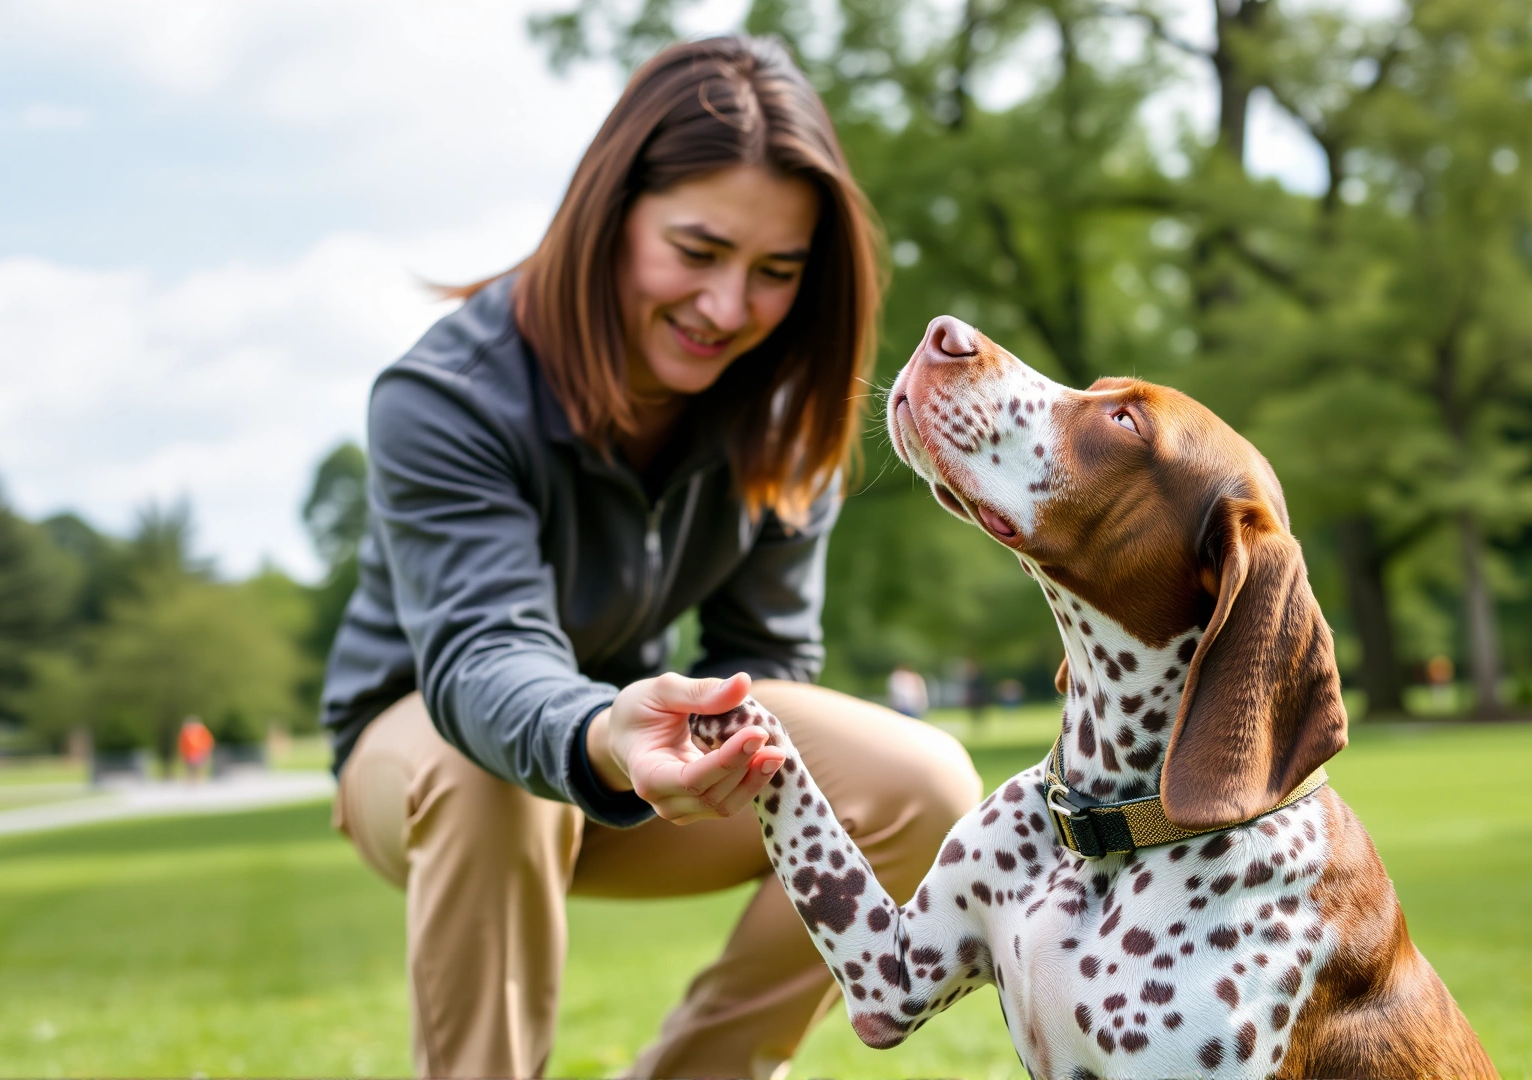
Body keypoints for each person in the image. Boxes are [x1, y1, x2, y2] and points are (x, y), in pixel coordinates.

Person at [318, 37, 982, 1080]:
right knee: (486, 772)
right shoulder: (444, 396)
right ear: (610, 212)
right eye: (697, 250)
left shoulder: (779, 404)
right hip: (428, 762)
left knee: (924, 784)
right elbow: (484, 657)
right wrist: (598, 733)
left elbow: (768, 669)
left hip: (629, 760)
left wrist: (670, 752)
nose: (728, 309)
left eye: (775, 273)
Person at [176, 716, 213, 782]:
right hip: (189, 755)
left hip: (199, 754)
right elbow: (182, 745)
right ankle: (192, 782)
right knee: (190, 770)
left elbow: (208, 742)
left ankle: (198, 782)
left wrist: (205, 752)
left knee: (198, 769)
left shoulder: (201, 731)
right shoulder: (185, 733)